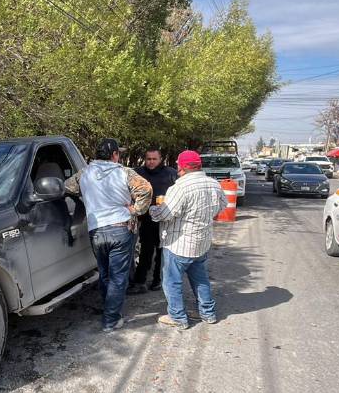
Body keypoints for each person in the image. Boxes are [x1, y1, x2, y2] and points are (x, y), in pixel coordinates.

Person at [65, 138, 152, 332]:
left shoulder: (84, 173)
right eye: (118, 153)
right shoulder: (124, 172)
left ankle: (108, 309)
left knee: (104, 274)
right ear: (114, 155)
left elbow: (67, 187)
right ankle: (111, 319)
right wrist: (136, 210)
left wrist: (86, 198)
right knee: (118, 277)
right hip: (121, 229)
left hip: (96, 231)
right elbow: (146, 189)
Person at [149, 150, 226, 330]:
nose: (177, 167)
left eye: (178, 165)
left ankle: (178, 317)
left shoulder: (180, 187)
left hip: (179, 244)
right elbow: (222, 206)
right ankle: (208, 313)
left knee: (171, 281)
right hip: (201, 243)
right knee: (200, 279)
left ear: (183, 167)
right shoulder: (213, 184)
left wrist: (153, 209)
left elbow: (166, 213)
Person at [128, 148, 177, 295]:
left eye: (154, 159)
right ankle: (140, 282)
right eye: (148, 159)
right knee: (146, 252)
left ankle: (158, 280)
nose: (151, 162)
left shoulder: (170, 173)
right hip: (146, 220)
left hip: (166, 220)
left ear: (160, 159)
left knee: (163, 253)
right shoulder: (138, 173)